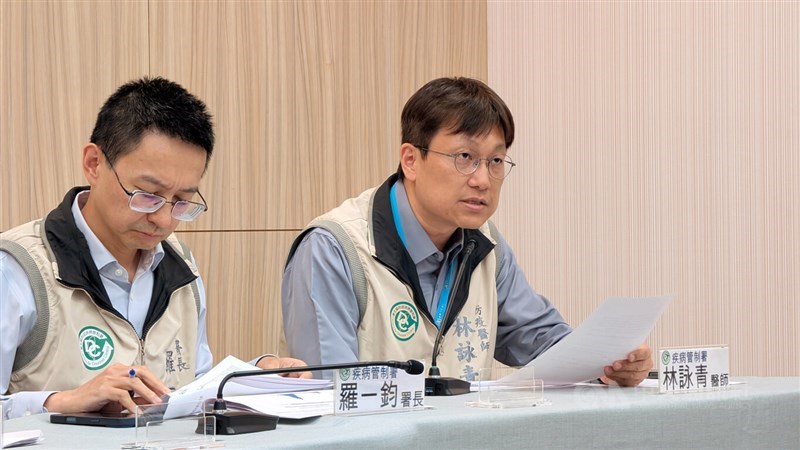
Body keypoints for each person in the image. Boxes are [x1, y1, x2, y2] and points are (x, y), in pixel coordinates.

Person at [281, 77, 652, 385]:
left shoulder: (485, 244)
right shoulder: (334, 249)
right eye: (464, 157)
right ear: (411, 160)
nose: (482, 179)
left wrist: (609, 365)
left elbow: (542, 343)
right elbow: (329, 391)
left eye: (495, 160)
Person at [0, 77, 307, 420]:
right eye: (147, 194)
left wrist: (253, 376)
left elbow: (193, 388)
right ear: (94, 164)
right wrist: (57, 403)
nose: (163, 219)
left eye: (182, 201)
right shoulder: (17, 269)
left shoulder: (180, 264)